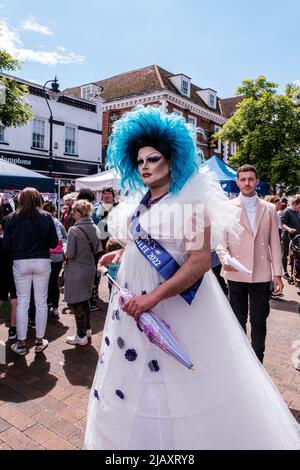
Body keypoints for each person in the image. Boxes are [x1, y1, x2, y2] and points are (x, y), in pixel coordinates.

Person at [84, 106, 300, 450]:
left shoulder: (194, 204)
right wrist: (121, 253)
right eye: (139, 161)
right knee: (139, 381)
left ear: (171, 160)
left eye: (153, 158)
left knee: (180, 381)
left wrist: (153, 297)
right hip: (131, 311)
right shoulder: (141, 204)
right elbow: (145, 246)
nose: (145, 166)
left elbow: (199, 263)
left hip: (176, 310)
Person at [217, 165, 283, 363]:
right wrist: (224, 258)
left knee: (259, 320)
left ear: (257, 181)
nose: (247, 183)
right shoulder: (226, 208)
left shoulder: (269, 208)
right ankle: (239, 362)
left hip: (261, 273)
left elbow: (275, 243)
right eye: (243, 179)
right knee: (237, 320)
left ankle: (257, 361)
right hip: (236, 271)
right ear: (237, 182)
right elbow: (221, 240)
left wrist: (277, 274)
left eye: (251, 179)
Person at [3, 188, 58, 355]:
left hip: (20, 262)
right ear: (38, 199)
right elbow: (54, 242)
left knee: (22, 303)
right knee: (41, 302)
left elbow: (6, 245)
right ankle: (40, 341)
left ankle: (21, 343)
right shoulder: (46, 217)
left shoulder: (12, 218)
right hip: (41, 261)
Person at [64, 199, 102, 346]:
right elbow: (98, 248)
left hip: (77, 269)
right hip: (90, 267)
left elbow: (70, 253)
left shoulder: (74, 230)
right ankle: (87, 330)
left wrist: (64, 249)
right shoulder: (95, 227)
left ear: (78, 213)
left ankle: (81, 335)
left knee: (77, 303)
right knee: (85, 299)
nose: (72, 215)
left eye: (73, 212)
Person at [42, 201, 67, 318]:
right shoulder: (59, 223)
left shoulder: (41, 222)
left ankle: (46, 304)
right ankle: (55, 307)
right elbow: (66, 237)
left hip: (45, 256)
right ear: (54, 212)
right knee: (54, 282)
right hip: (57, 257)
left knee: (44, 282)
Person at [0, 216, 17, 340]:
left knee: (1, 299)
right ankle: (12, 329)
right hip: (15, 272)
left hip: (2, 274)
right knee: (15, 302)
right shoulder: (16, 240)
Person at [280, 195, 300, 280]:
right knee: (286, 254)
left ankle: (294, 273)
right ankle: (285, 272)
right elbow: (283, 224)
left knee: (295, 255)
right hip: (287, 237)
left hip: (296, 237)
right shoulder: (286, 211)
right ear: (296, 203)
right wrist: (289, 229)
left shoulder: (296, 212)